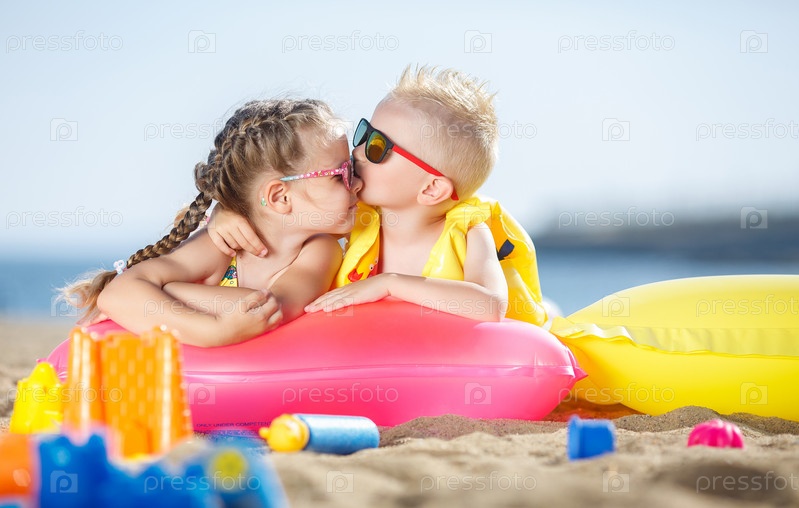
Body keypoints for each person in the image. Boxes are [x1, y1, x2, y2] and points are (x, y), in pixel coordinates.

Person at [208, 67, 547, 325]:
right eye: (364, 132)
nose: (356, 151)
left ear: (431, 188)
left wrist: (389, 284)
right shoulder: (358, 216)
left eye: (377, 146)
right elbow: (286, 214)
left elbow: (490, 305)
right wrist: (228, 212)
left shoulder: (468, 232)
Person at [61, 99, 362, 346]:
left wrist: (168, 291)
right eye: (341, 175)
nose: (358, 182)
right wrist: (214, 331)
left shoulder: (320, 250)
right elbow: (117, 293)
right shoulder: (224, 242)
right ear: (280, 197)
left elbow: (269, 308)